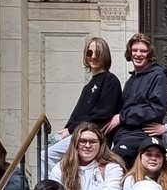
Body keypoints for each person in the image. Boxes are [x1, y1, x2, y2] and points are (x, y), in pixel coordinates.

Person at [49, 36, 124, 170]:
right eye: (89, 53)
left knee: (46, 156)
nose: (93, 56)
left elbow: (103, 113)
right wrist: (67, 129)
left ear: (105, 55)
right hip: (78, 133)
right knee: (52, 153)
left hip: (93, 136)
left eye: (98, 53)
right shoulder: (88, 85)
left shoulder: (110, 80)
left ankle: (50, 185)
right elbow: (77, 114)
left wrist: (70, 130)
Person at [113, 33, 167, 164]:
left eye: (143, 51)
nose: (138, 54)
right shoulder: (132, 79)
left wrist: (122, 117)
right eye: (134, 50)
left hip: (142, 135)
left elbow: (156, 110)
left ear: (149, 54)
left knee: (113, 162)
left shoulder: (158, 76)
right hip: (124, 135)